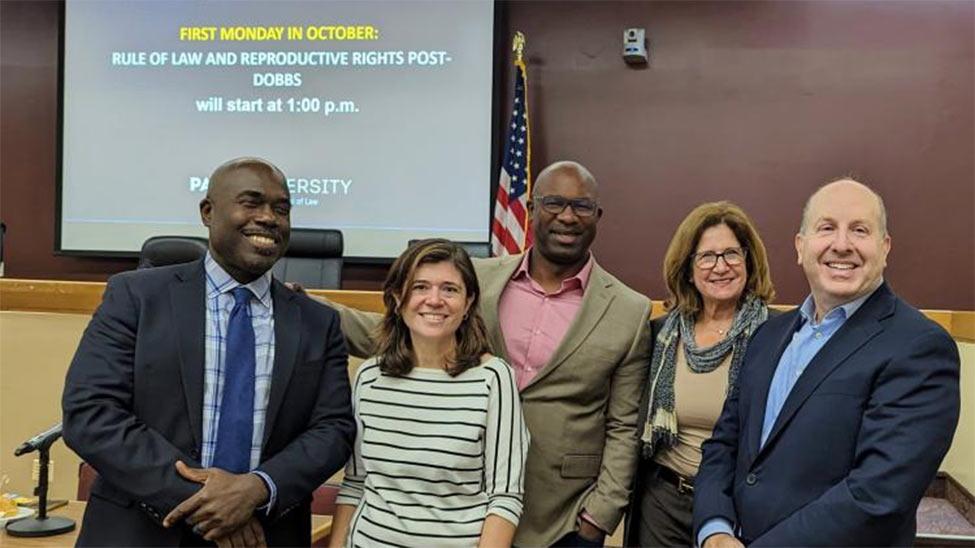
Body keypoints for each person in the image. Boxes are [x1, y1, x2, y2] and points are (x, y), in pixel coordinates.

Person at [319, 161, 652, 546]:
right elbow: (403, 332)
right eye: (554, 203)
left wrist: (597, 521)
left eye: (581, 207)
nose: (567, 216)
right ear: (531, 210)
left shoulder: (629, 309)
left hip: (561, 515)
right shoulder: (476, 278)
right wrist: (309, 310)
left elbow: (623, 425)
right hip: (463, 505)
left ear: (597, 216)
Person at [62, 157, 355, 546]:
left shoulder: (318, 322)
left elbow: (333, 430)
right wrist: (208, 501)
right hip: (142, 531)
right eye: (251, 203)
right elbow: (91, 412)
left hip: (265, 535)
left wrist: (255, 489)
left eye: (281, 209)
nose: (268, 217)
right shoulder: (135, 297)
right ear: (207, 211)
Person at [693, 178, 961, 546]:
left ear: (885, 248)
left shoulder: (920, 348)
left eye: (860, 230)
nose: (842, 244)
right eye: (827, 228)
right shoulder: (767, 336)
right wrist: (715, 531)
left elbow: (876, 495)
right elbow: (723, 444)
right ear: (800, 247)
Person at [328, 239, 529, 546]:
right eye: (420, 287)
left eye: (450, 289)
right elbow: (355, 485)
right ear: (397, 298)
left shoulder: (493, 378)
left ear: (469, 302)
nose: (434, 300)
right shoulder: (369, 377)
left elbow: (505, 496)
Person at [623, 202, 775, 546]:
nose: (720, 267)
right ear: (688, 269)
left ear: (749, 263)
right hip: (663, 504)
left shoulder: (777, 335)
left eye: (732, 255)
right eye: (707, 256)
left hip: (739, 506)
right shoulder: (659, 335)